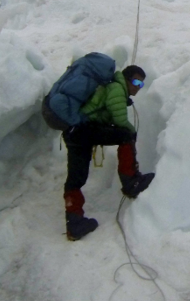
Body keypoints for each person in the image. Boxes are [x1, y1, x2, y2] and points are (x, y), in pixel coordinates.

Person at [62, 64, 154, 241]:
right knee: (126, 135)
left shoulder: (111, 88)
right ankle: (131, 181)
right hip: (85, 130)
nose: (138, 87)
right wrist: (132, 132)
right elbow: (120, 120)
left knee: (75, 178)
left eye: (141, 84)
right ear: (126, 79)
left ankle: (74, 224)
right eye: (136, 82)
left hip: (74, 132)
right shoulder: (116, 88)